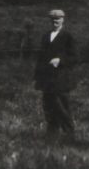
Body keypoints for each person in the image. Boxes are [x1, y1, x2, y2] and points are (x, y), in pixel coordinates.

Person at [33, 8, 77, 138]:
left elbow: (75, 56)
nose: (55, 22)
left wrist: (61, 60)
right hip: (47, 78)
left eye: (57, 19)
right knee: (48, 105)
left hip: (61, 78)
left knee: (62, 105)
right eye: (52, 19)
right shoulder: (46, 36)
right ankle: (52, 133)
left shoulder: (67, 36)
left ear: (63, 20)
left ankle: (69, 133)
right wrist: (37, 76)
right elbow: (41, 57)